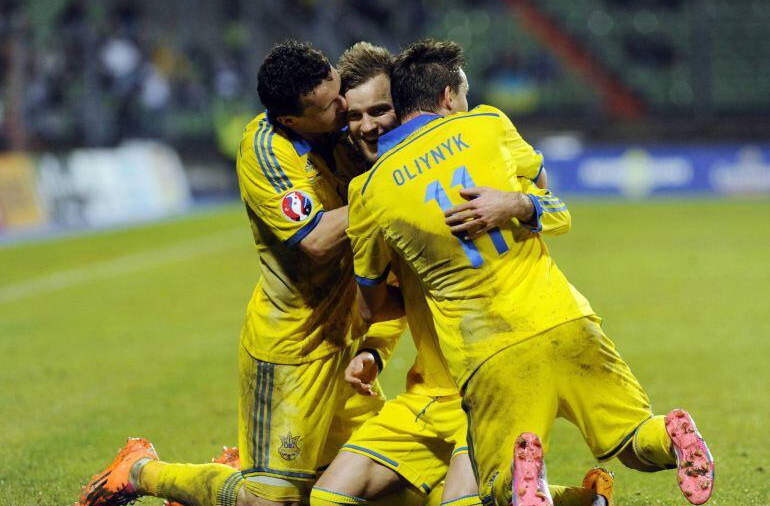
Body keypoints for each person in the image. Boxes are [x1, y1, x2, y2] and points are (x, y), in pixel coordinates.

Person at [346, 39, 714, 506]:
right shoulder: (487, 124)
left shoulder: (370, 189)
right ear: (446, 98)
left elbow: (370, 304)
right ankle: (671, 434)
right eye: (461, 96)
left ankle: (528, 481)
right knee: (633, 437)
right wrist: (518, 204)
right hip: (564, 318)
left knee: (496, 487)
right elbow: (554, 207)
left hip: (489, 351)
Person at [78, 40, 405, 506]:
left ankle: (247, 469)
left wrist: (373, 349)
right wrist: (394, 186)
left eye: (339, 90)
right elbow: (315, 240)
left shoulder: (348, 127)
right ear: (292, 119)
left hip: (345, 346)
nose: (344, 106)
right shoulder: (267, 151)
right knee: (271, 502)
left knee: (383, 488)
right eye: (331, 105)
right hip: (292, 352)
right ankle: (141, 471)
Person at [312, 42, 614, 506]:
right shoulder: (376, 196)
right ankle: (576, 499)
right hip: (426, 390)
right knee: (330, 499)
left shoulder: (458, 169)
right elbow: (392, 298)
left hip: (485, 382)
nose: (368, 126)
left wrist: (518, 203)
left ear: (411, 107)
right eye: (354, 116)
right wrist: (372, 350)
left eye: (380, 110)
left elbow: (542, 200)